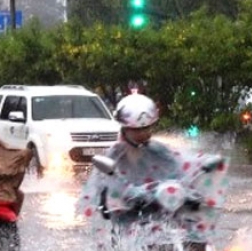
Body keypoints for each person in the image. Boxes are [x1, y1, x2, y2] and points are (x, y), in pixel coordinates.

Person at [76, 93, 227, 238]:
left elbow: (181, 168)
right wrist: (137, 194)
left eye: (147, 128)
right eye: (137, 130)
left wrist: (196, 179)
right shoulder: (115, 154)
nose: (143, 133)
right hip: (129, 221)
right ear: (125, 129)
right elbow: (114, 185)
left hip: (164, 217)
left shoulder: (160, 151)